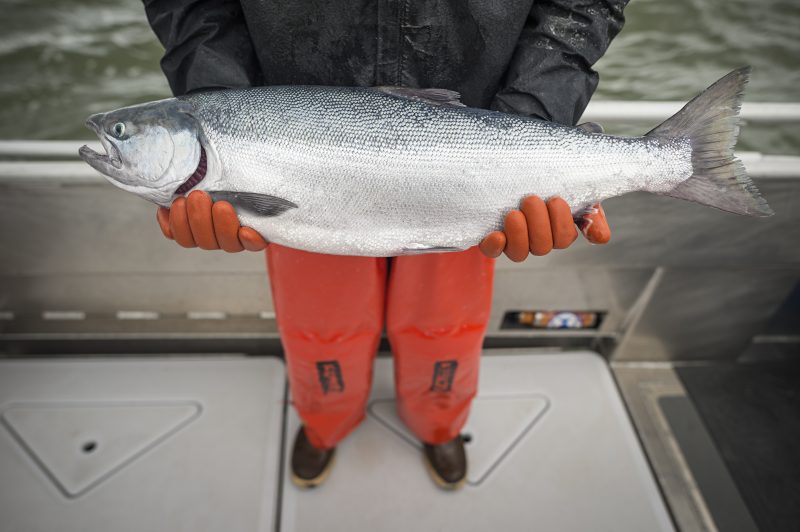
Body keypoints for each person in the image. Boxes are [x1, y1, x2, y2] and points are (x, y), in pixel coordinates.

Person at [144, 0, 624, 490]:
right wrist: (225, 112)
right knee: (321, 327)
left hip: (465, 164)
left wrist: (529, 126)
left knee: (445, 325)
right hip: (296, 163)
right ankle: (327, 425)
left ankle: (438, 425)